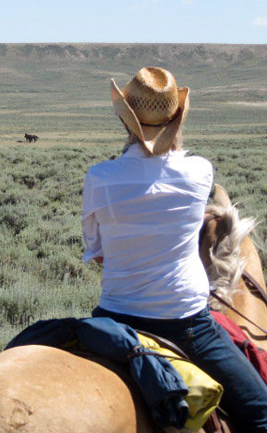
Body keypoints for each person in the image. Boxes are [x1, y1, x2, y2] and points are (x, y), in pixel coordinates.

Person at [81, 67, 267, 432]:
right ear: (177, 118)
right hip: (185, 325)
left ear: (126, 121)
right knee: (261, 413)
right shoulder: (199, 171)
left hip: (113, 318)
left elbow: (97, 253)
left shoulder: (99, 177)